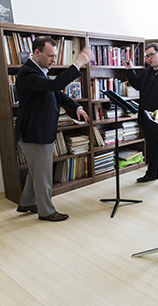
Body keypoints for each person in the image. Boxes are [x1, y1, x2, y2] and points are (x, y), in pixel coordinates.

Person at [15, 36, 92, 222]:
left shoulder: (39, 71)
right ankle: (46, 211)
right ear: (36, 52)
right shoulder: (27, 73)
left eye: (55, 56)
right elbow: (54, 85)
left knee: (36, 171)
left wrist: (77, 107)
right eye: (50, 56)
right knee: (42, 174)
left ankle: (27, 202)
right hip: (34, 132)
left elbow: (57, 93)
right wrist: (78, 63)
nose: (53, 60)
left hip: (39, 130)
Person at [125, 42, 158, 190]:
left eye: (151, 55)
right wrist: (130, 70)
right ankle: (152, 173)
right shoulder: (148, 71)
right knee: (152, 148)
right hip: (148, 119)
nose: (149, 58)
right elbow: (138, 85)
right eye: (147, 56)